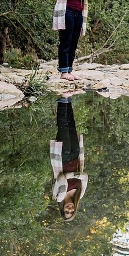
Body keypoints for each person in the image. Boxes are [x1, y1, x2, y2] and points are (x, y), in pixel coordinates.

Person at [53, 0, 93, 81]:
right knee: (66, 41)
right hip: (66, 11)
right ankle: (63, 71)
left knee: (74, 42)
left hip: (79, 12)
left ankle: (69, 70)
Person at [50, 92, 88, 221]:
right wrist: (72, 175)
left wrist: (72, 175)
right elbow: (85, 176)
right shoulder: (79, 194)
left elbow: (61, 178)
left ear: (62, 208)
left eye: (66, 211)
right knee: (72, 127)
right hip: (76, 158)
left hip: (63, 159)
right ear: (75, 209)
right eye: (71, 211)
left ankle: (62, 101)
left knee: (63, 128)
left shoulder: (58, 196)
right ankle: (68, 99)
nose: (70, 209)